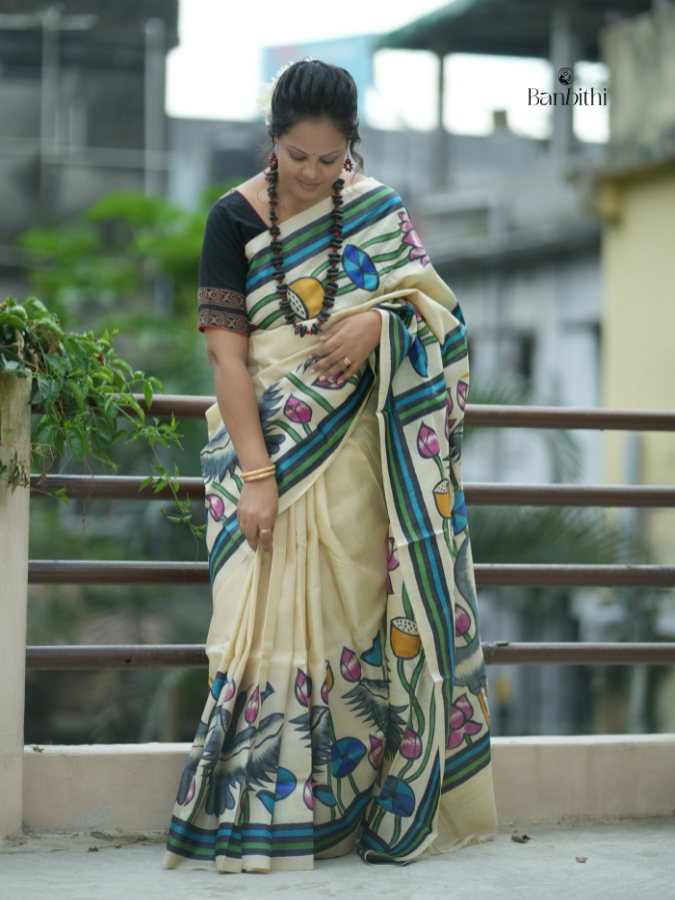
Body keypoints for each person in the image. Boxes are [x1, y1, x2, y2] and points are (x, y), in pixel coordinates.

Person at [164, 59, 497, 874]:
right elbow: (228, 361)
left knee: (352, 631)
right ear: (270, 139)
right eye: (295, 156)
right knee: (255, 632)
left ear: (352, 145)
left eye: (329, 158)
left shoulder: (378, 211)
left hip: (355, 463)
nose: (312, 174)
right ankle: (258, 818)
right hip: (265, 453)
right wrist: (258, 477)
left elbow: (442, 321)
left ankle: (343, 819)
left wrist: (381, 326)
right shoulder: (231, 219)